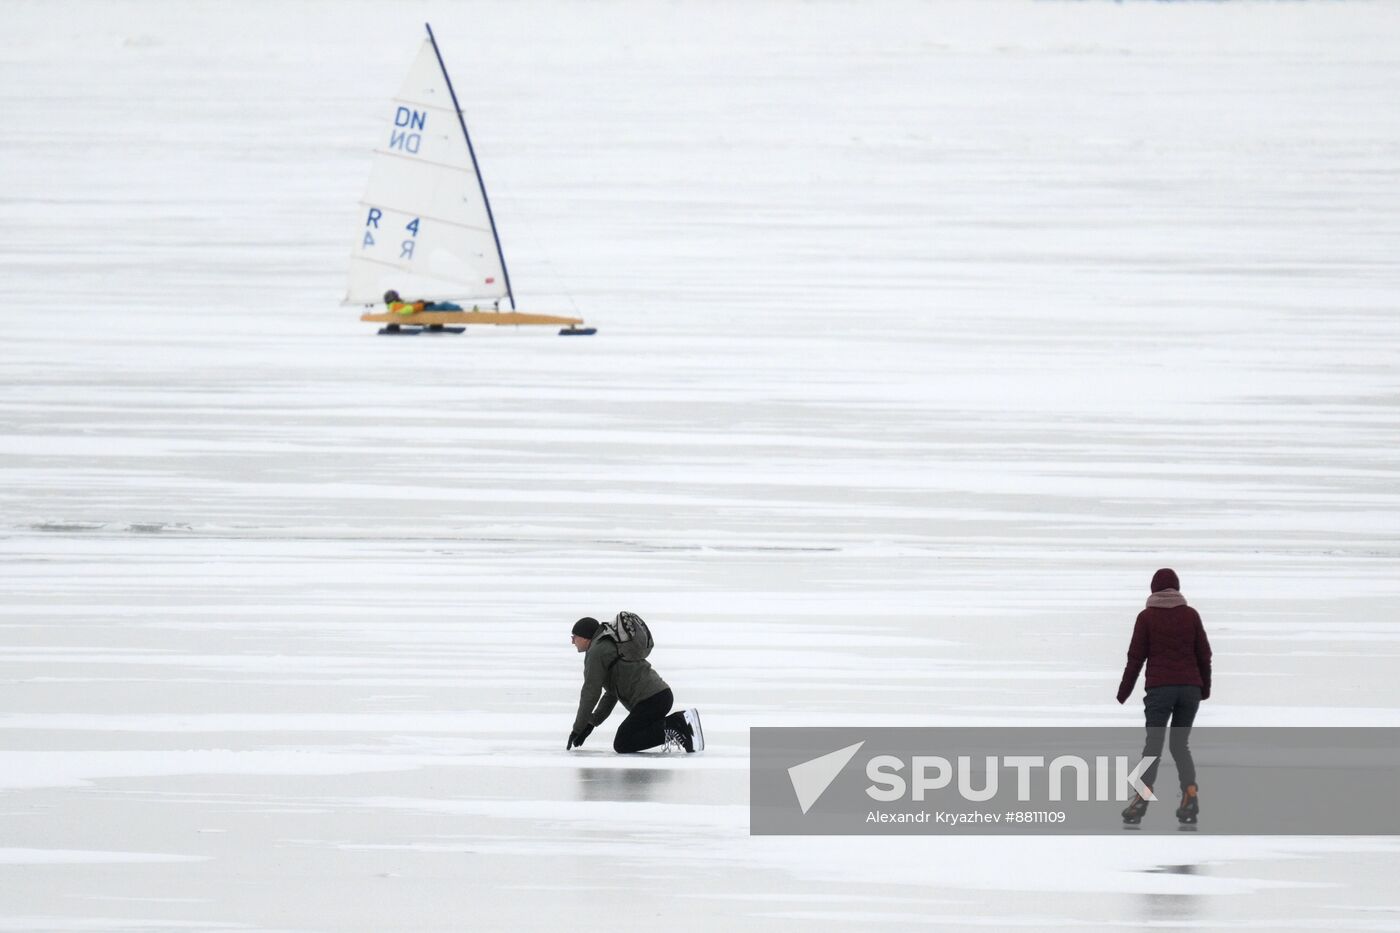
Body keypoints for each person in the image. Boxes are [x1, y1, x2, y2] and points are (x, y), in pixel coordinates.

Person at [1116, 568, 1212, 824]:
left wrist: (1123, 691)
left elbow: (1135, 658)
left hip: (1160, 690)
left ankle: (1141, 798)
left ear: (1153, 589)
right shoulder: (1190, 615)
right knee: (1180, 745)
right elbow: (1204, 654)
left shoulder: (1146, 617)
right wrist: (1204, 688)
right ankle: (1190, 794)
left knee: (1154, 745)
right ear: (1177, 588)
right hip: (1189, 690)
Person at [566, 616, 703, 754]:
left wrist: (578, 728)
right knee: (627, 738)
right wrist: (591, 723)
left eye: (574, 637)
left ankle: (677, 724)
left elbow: (590, 693)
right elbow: (612, 694)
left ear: (585, 637)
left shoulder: (596, 652)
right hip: (659, 696)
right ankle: (679, 724)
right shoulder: (605, 645)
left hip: (650, 700)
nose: (572, 641)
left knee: (623, 742)